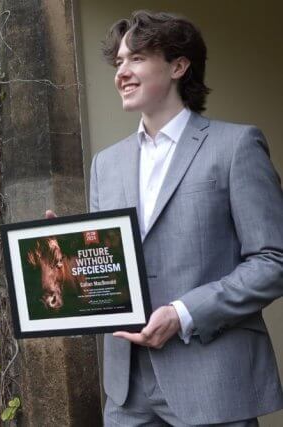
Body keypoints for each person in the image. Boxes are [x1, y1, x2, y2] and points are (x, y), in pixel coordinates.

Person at [50, 10, 283, 426]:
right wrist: (62, 258)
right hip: (127, 390)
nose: (122, 71)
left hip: (213, 381)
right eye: (119, 61)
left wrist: (183, 313)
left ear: (178, 66)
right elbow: (109, 273)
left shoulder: (236, 146)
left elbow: (273, 262)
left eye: (136, 58)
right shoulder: (106, 164)